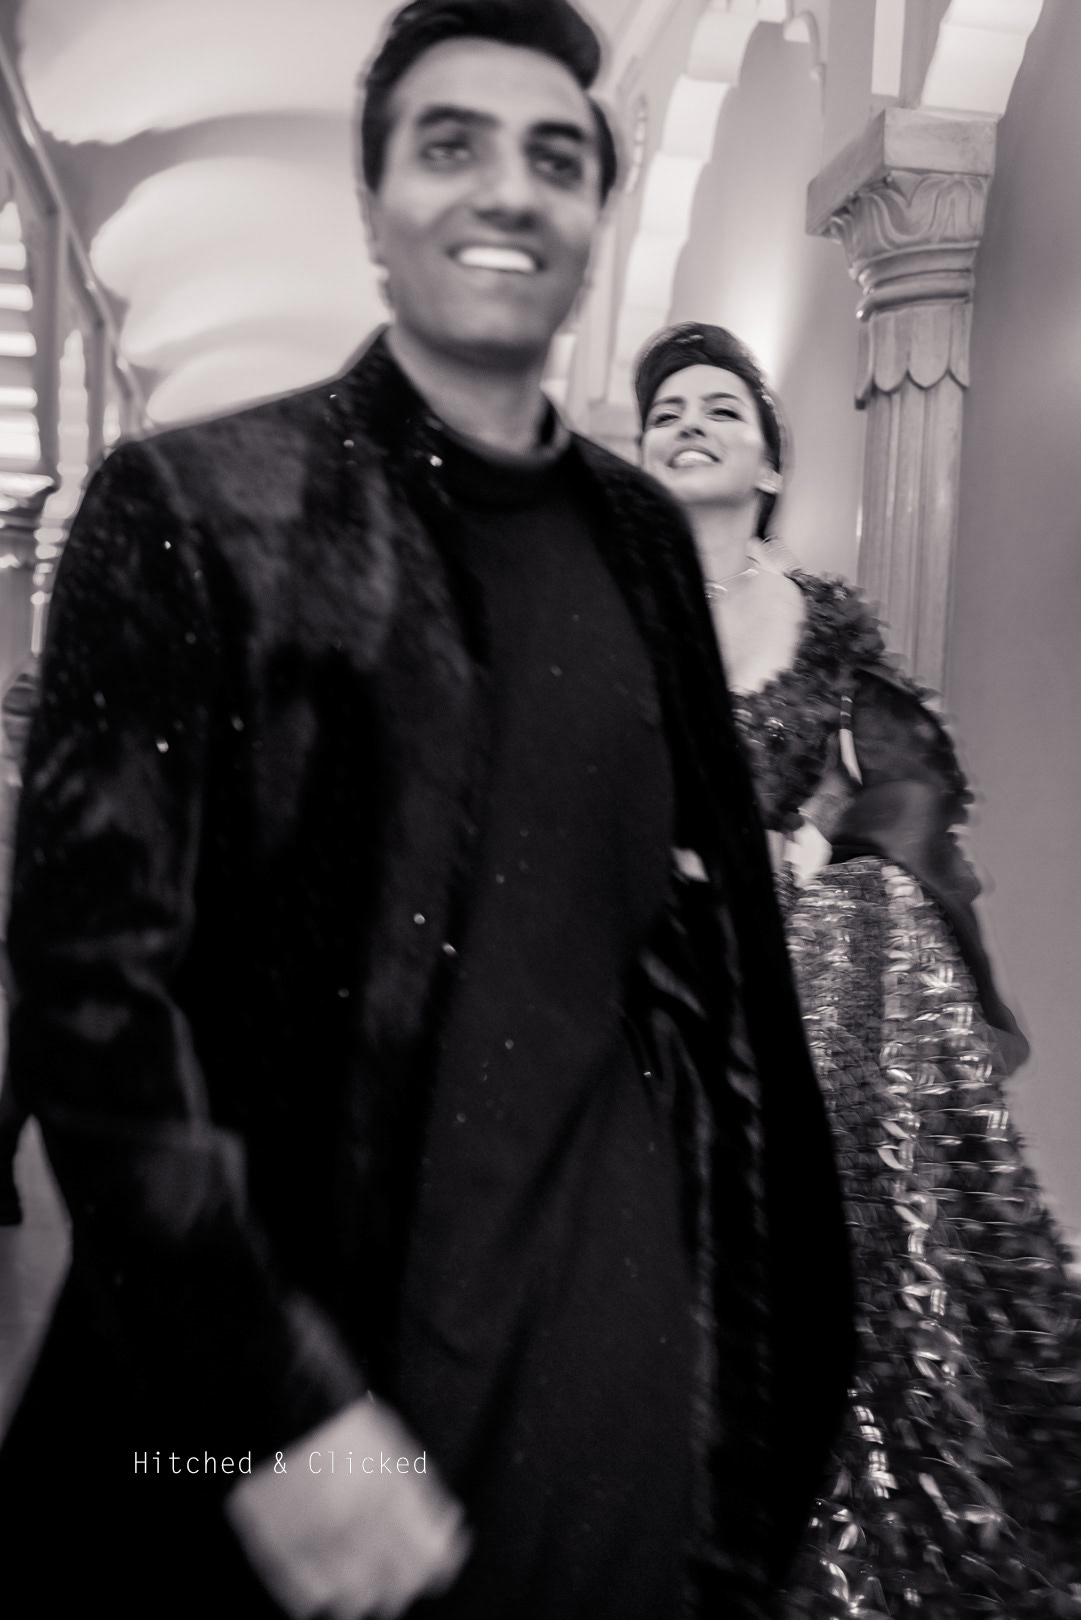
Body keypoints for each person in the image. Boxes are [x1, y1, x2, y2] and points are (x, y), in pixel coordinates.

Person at [0, 10, 854, 1618]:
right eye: (448, 145)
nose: (506, 189)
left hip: (610, 1395)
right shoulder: (198, 509)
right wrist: (266, 1413)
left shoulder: (638, 542)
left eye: (555, 157)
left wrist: (774, 1345)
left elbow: (714, 962)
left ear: (593, 215)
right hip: (319, 1405)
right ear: (374, 204)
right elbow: (93, 999)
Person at [636, 321, 1081, 1620]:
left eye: (720, 408)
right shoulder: (605, 613)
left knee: (866, 926)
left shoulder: (821, 623)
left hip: (794, 972)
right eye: (666, 412)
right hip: (648, 956)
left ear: (770, 463)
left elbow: (910, 784)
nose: (691, 423)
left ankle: (868, 1432)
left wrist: (815, 839)